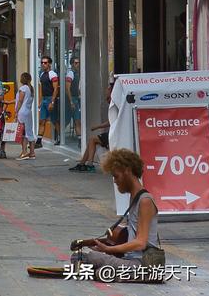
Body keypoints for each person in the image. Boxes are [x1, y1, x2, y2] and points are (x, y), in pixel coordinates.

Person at [73, 149, 160, 281]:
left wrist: (108, 250)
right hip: (130, 260)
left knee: (86, 257)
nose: (114, 181)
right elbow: (128, 237)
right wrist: (95, 243)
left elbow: (140, 243)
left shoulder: (145, 201)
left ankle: (128, 274)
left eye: (116, 176)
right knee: (81, 257)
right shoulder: (134, 198)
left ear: (127, 170)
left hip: (143, 264)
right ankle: (106, 273)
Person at [35, 55, 59, 147]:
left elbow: (56, 89)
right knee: (42, 120)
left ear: (49, 64)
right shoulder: (41, 74)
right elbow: (41, 89)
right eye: (42, 63)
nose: (43, 64)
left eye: (45, 63)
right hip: (44, 99)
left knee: (54, 120)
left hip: (50, 98)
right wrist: (40, 101)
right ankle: (39, 141)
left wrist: (52, 102)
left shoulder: (52, 74)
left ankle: (60, 138)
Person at [15, 72, 36, 159]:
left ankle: (24, 152)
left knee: (23, 132)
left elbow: (20, 101)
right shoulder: (31, 88)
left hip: (22, 112)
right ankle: (32, 153)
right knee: (29, 131)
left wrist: (16, 111)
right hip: (28, 112)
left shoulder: (23, 88)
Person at [65, 56, 81, 139]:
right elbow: (67, 88)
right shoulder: (70, 73)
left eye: (78, 63)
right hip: (72, 99)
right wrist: (71, 101)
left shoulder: (77, 73)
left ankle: (80, 139)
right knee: (73, 119)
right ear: (72, 64)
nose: (77, 64)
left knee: (77, 119)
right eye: (75, 63)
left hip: (76, 98)